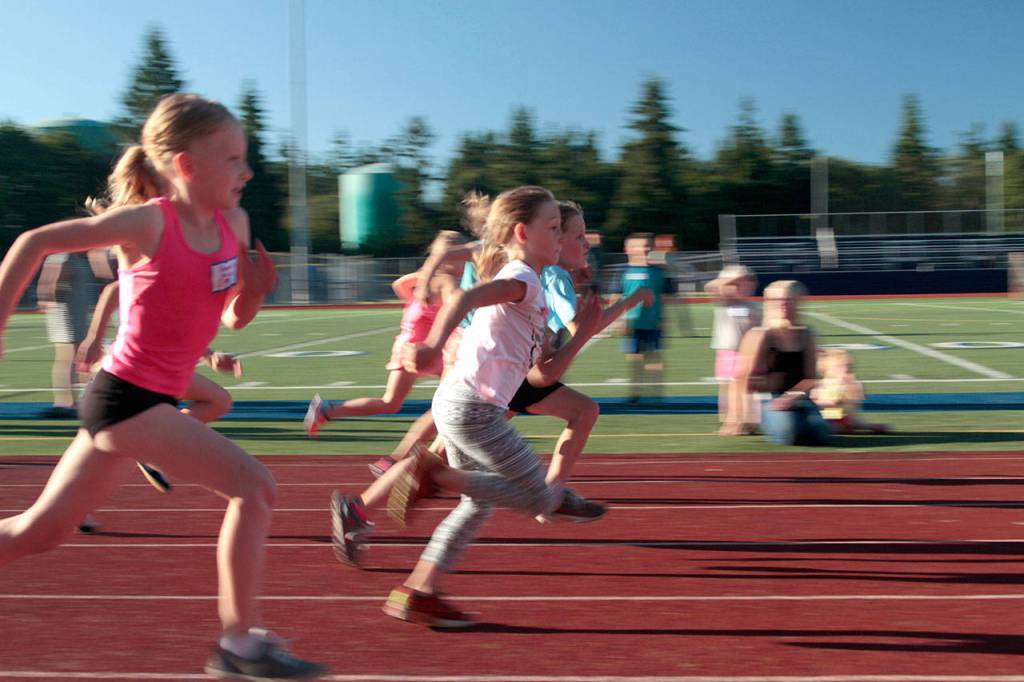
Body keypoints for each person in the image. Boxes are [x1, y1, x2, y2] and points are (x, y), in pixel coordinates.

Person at [0, 93, 324, 680]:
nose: (246, 171)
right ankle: (237, 644)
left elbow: (230, 318)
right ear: (185, 165)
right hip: (122, 398)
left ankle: (237, 643)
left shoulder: (236, 224)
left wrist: (253, 292)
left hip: (152, 401)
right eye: (231, 159)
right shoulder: (147, 222)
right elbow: (33, 243)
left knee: (36, 533)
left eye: (245, 156)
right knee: (254, 487)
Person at [330, 201, 651, 568]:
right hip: (502, 376)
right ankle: (551, 496)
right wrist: (629, 302)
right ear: (554, 237)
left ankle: (366, 512)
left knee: (455, 460)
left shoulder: (533, 268)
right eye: (578, 236)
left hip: (491, 369)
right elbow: (579, 328)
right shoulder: (550, 277)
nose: (587, 243)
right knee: (577, 415)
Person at [348, 186, 602, 628]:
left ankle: (419, 591)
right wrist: (429, 345)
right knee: (541, 497)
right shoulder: (522, 277)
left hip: (460, 405)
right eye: (555, 228)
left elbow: (543, 374)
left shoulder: (533, 286)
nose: (562, 237)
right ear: (523, 232)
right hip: (474, 411)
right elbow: (465, 297)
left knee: (476, 504)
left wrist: (582, 334)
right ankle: (435, 473)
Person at [303, 230, 467, 437]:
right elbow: (460, 303)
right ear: (449, 258)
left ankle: (327, 411)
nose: (467, 263)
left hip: (411, 345)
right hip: (422, 349)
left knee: (392, 403)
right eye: (463, 258)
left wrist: (415, 305)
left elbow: (398, 284)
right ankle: (440, 442)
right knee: (458, 393)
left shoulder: (424, 278)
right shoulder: (447, 282)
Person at [732, 280, 830, 446]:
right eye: (776, 300)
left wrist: (792, 396)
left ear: (798, 302)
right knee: (788, 434)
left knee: (819, 434)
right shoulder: (760, 335)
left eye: (788, 299)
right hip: (768, 398)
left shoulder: (807, 334)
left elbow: (811, 378)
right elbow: (742, 379)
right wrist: (740, 417)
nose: (782, 304)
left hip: (797, 398)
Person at [705, 265, 761, 435]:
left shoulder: (753, 306)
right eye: (737, 283)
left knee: (747, 390)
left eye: (746, 282)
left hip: (748, 353)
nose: (742, 286)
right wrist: (734, 278)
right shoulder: (723, 302)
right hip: (728, 352)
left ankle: (748, 420)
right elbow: (711, 287)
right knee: (728, 388)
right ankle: (730, 420)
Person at [36, 250, 93, 416]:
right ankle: (65, 401)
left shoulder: (72, 256)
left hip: (74, 310)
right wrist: (52, 301)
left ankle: (71, 399)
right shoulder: (64, 256)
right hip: (67, 312)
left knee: (73, 357)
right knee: (67, 357)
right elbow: (52, 281)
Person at [619, 233, 668, 403]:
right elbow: (617, 296)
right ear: (628, 249)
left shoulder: (658, 272)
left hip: (653, 323)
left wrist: (663, 319)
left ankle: (655, 393)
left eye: (648, 245)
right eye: (641, 245)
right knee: (635, 359)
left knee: (654, 359)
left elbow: (665, 296)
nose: (645, 249)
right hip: (633, 324)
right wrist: (620, 320)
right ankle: (635, 392)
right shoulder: (624, 272)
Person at [812, 348, 890, 434]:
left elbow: (857, 401)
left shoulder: (848, 383)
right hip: (826, 417)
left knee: (852, 420)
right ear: (826, 368)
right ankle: (847, 427)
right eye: (839, 366)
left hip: (845, 418)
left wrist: (854, 390)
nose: (845, 369)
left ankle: (864, 426)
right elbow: (815, 402)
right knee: (820, 424)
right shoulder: (821, 384)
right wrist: (828, 402)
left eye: (847, 366)